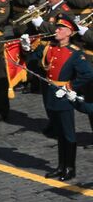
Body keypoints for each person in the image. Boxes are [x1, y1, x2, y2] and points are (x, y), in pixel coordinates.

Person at [24, 16, 93, 180]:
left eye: (60, 29)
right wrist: (27, 47)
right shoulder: (50, 48)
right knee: (59, 133)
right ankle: (60, 166)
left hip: (63, 96)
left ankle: (70, 168)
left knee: (68, 133)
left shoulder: (75, 53)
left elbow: (89, 73)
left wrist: (70, 86)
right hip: (51, 94)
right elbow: (36, 60)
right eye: (57, 28)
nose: (56, 30)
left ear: (69, 32)